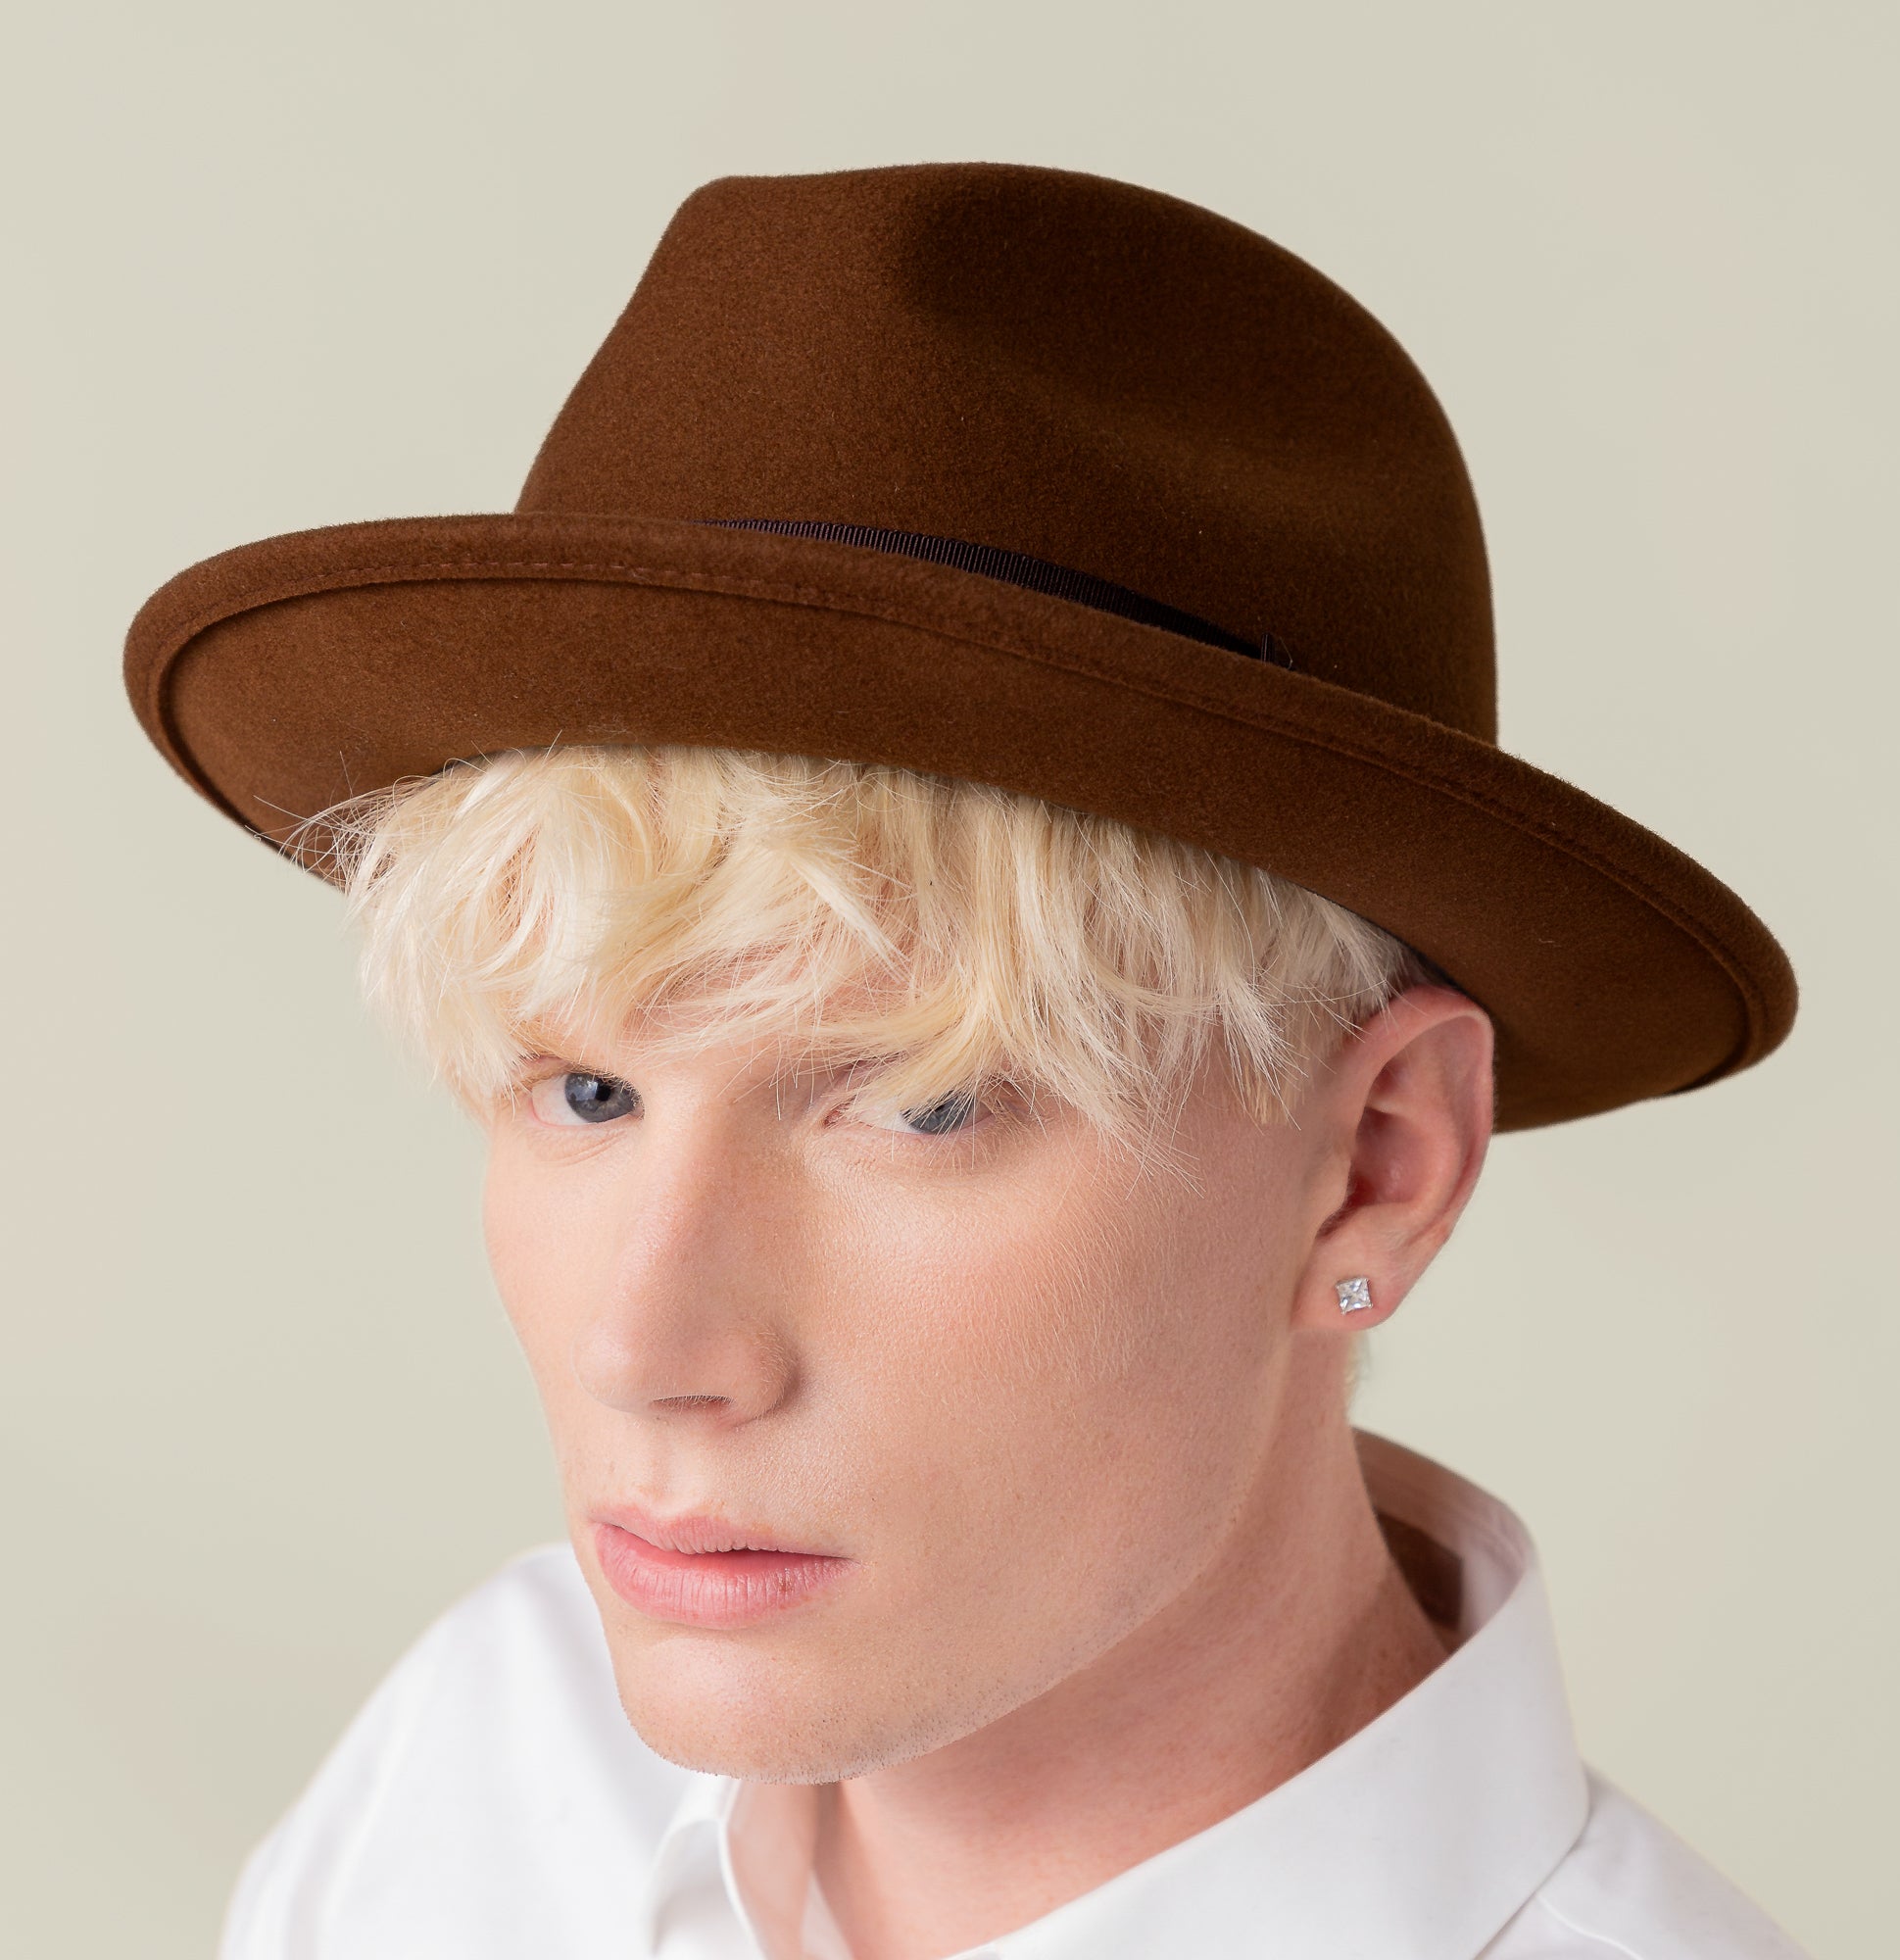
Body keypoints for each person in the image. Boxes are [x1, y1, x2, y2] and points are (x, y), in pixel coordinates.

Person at [124, 163, 1806, 1959]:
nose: (648, 1348)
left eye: (922, 1100)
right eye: (588, 1092)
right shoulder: (479, 1774)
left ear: (1379, 1160)